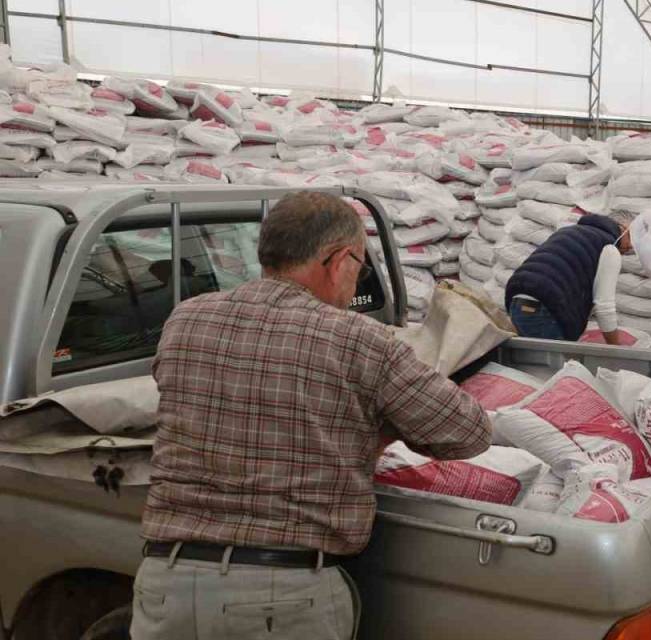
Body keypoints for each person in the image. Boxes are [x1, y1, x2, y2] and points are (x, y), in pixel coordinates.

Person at [131, 192, 492, 640]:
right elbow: (469, 431)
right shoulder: (358, 339)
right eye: (359, 269)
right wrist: (381, 427)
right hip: (283, 598)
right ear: (340, 260)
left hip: (166, 586)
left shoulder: (184, 321)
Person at [504, 213, 632, 345]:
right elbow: (604, 307)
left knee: (528, 361)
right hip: (546, 307)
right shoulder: (609, 248)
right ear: (621, 228)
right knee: (554, 364)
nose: (632, 246)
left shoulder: (568, 231)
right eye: (631, 236)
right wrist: (615, 348)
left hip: (516, 300)